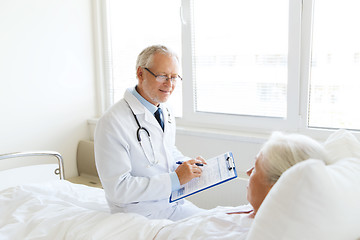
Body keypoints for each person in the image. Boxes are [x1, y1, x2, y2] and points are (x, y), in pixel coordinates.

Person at [94, 45, 205, 221]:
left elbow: (166, 149)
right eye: (162, 76)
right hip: (139, 216)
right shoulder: (112, 122)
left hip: (171, 203)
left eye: (174, 77)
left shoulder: (165, 109)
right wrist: (175, 180)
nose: (169, 84)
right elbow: (118, 189)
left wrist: (187, 165)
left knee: (217, 221)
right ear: (140, 73)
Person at [154, 131, 330, 239]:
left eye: (256, 168)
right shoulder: (256, 210)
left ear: (275, 187)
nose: (247, 172)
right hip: (158, 227)